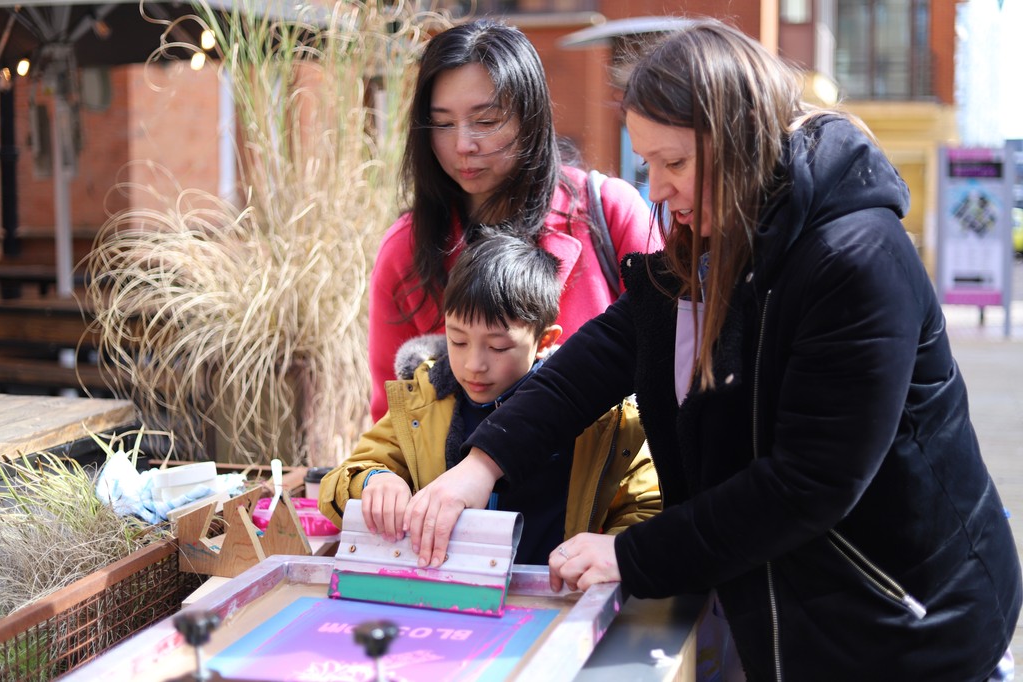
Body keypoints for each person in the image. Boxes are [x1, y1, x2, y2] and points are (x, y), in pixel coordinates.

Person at [399, 18, 1023, 680]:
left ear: (740, 142)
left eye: (676, 164)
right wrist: (482, 464)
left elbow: (809, 482)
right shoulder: (712, 238)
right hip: (798, 623)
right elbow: (602, 354)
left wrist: (632, 555)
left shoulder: (857, 262)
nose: (657, 190)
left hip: (909, 626)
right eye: (647, 164)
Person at [368, 18, 660, 421]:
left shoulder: (609, 211)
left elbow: (670, 360)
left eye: (486, 121)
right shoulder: (406, 249)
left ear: (530, 116)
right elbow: (393, 421)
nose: (463, 144)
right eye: (442, 123)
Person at [321, 231, 659, 564]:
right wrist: (375, 482)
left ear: (543, 341)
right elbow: (342, 479)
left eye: (497, 347)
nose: (474, 365)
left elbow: (647, 505)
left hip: (557, 592)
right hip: (443, 590)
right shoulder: (421, 403)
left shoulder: (602, 419)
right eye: (458, 341)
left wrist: (611, 551)